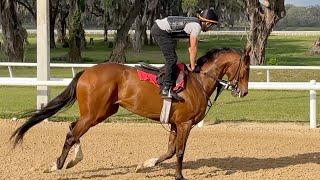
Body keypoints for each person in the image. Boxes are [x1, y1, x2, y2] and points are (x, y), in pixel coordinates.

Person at [151, 9, 219, 100]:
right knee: (172, 59)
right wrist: (193, 66)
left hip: (161, 29)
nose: (211, 28)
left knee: (172, 58)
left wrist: (192, 64)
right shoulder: (196, 26)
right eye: (212, 26)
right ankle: (166, 89)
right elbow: (193, 48)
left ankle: (166, 80)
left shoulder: (195, 24)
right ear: (208, 23)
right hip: (160, 31)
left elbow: (191, 47)